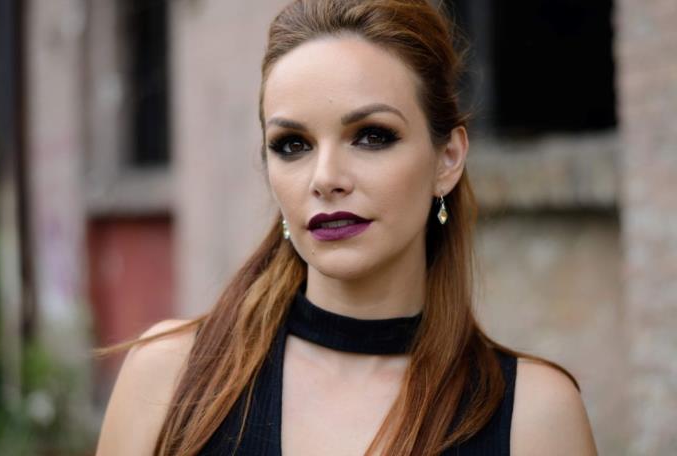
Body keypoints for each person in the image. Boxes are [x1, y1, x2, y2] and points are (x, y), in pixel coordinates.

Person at [96, 0, 598, 454]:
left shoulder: (535, 416)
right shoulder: (167, 378)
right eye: (293, 145)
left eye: (372, 136)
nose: (325, 178)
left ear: (447, 159)